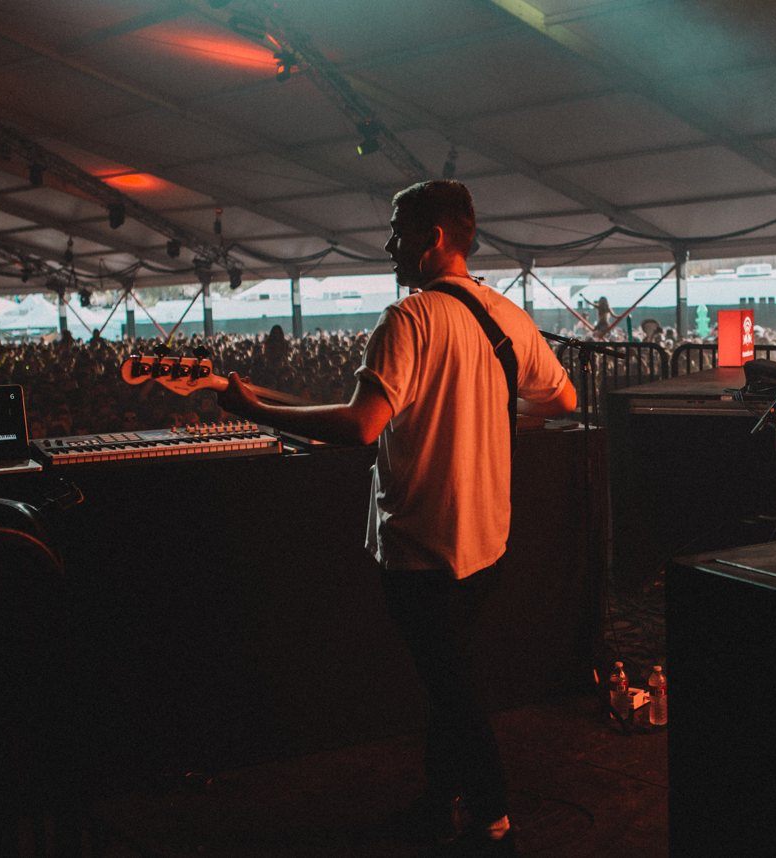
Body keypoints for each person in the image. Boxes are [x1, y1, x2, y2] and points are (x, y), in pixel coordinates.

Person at [218, 180, 576, 850]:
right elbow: (563, 399)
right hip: (488, 539)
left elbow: (362, 425)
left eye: (396, 229)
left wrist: (256, 410)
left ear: (432, 238)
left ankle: (493, 816)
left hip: (421, 543)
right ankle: (441, 804)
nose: (388, 245)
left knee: (454, 689)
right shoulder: (507, 315)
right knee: (450, 680)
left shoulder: (408, 319)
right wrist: (492, 409)